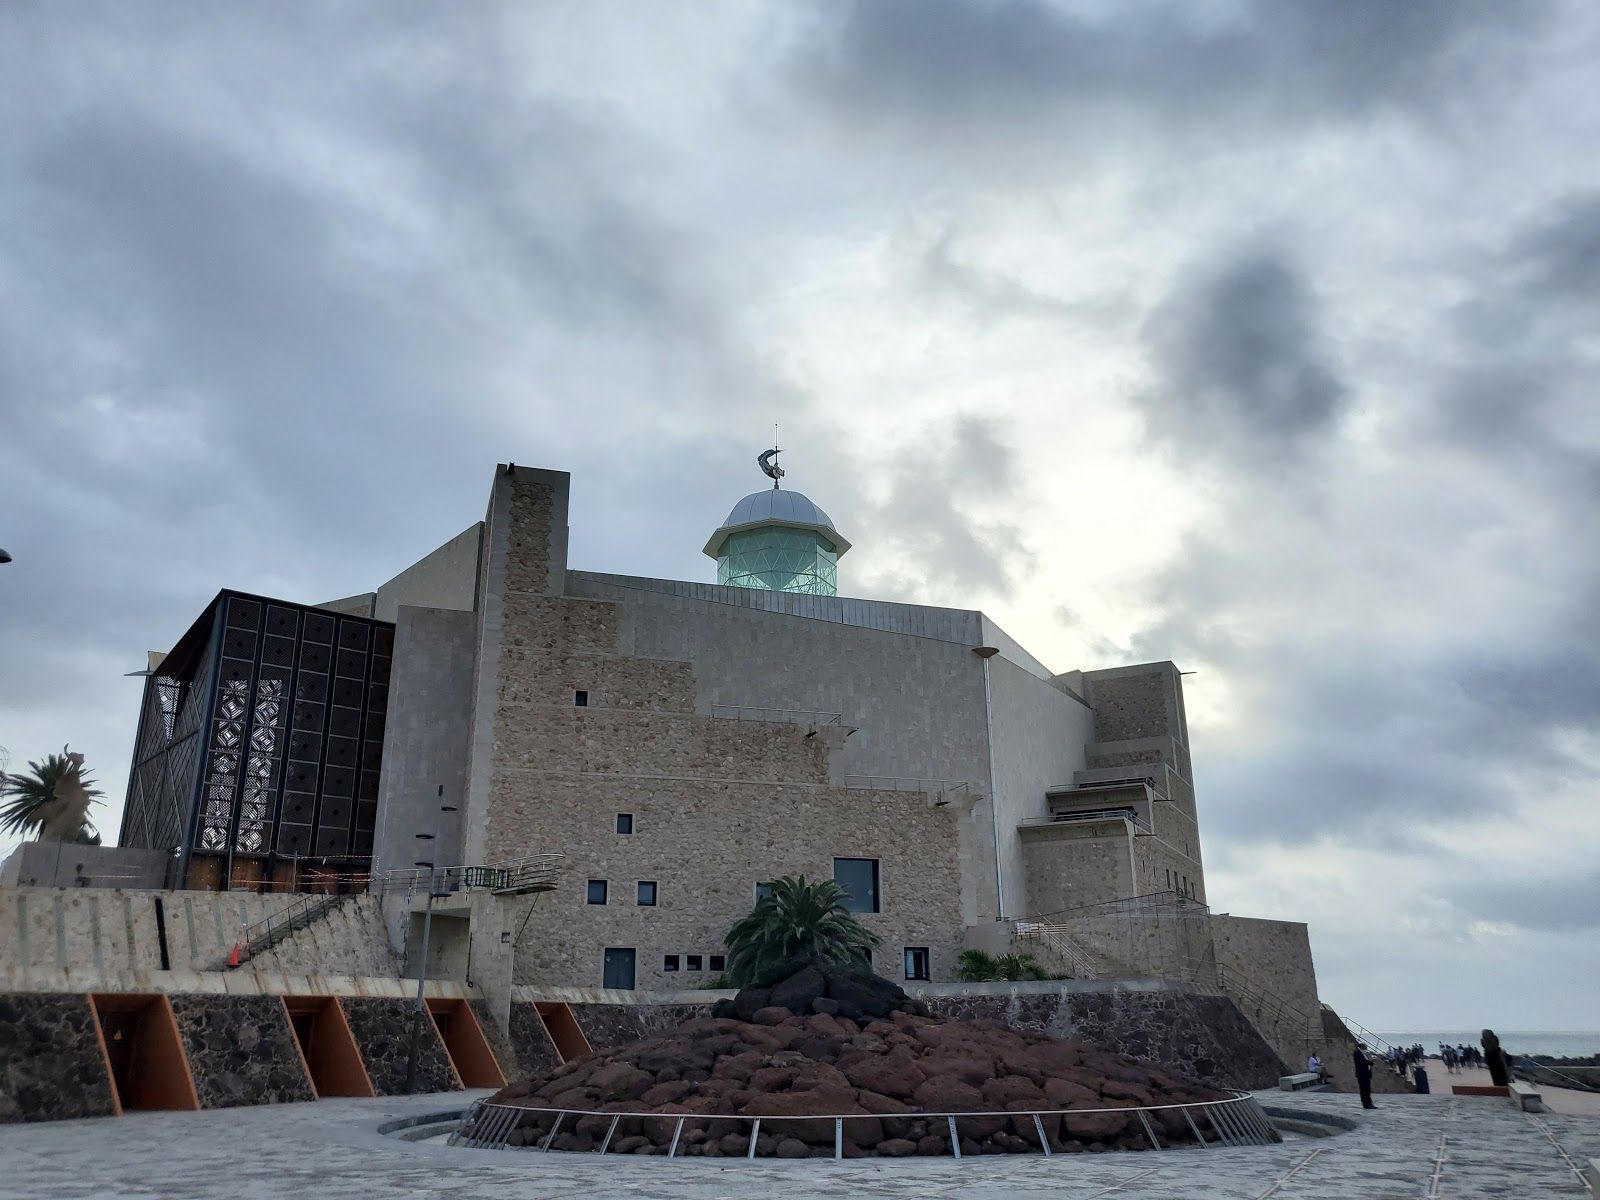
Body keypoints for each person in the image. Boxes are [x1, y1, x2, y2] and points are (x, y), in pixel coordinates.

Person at [1353, 1042, 1376, 1109]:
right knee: (1363, 1089)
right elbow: (1361, 1062)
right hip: (1362, 1074)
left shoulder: (1362, 1053)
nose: (1366, 1048)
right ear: (1362, 1047)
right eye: (1365, 1047)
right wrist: (1371, 1062)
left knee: (1367, 1089)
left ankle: (1369, 1103)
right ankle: (1365, 1104)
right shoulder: (1357, 1052)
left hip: (1366, 1073)